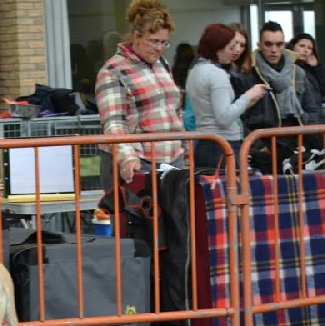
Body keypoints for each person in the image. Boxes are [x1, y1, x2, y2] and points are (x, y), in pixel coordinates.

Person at [95, 0, 184, 189]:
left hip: (173, 160)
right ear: (136, 36)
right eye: (153, 41)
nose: (159, 48)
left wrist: (186, 151)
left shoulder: (163, 64)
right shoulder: (112, 70)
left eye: (164, 42)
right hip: (138, 162)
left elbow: (175, 112)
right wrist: (127, 159)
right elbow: (113, 123)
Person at [185, 24, 266, 168]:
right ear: (218, 48)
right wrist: (247, 96)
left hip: (204, 144)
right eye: (230, 48)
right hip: (223, 147)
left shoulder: (195, 70)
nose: (234, 52)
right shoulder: (217, 74)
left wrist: (246, 102)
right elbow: (224, 117)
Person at [242, 21, 321, 140]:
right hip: (266, 144)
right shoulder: (248, 74)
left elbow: (312, 109)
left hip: (299, 141)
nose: (274, 50)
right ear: (259, 45)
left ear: (284, 46)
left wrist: (310, 138)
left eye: (279, 44)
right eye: (268, 44)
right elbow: (241, 117)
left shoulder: (297, 72)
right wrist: (258, 147)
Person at [289, 33, 325, 105]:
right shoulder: (287, 66)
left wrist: (316, 67)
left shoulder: (312, 68)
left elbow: (322, 90)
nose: (305, 50)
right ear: (293, 47)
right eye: (302, 46)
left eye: (309, 48)